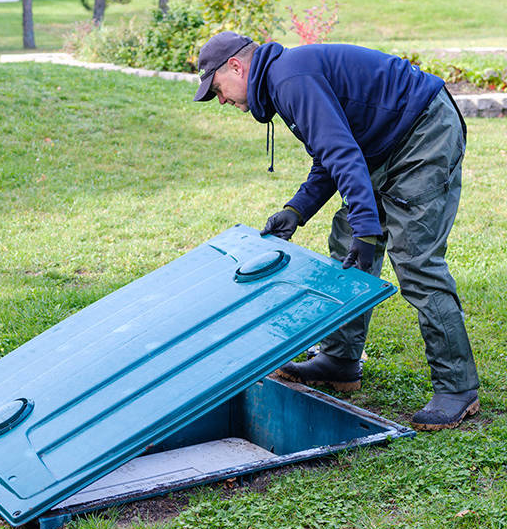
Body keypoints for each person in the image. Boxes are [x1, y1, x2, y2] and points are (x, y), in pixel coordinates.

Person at [193, 31, 480, 431]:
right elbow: (330, 154)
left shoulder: (289, 79)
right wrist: (297, 210)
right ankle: (340, 360)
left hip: (423, 133)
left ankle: (457, 387)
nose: (221, 99)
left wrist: (368, 227)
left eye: (217, 88)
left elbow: (342, 153)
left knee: (415, 260)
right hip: (383, 143)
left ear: (237, 67)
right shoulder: (284, 79)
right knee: (348, 242)